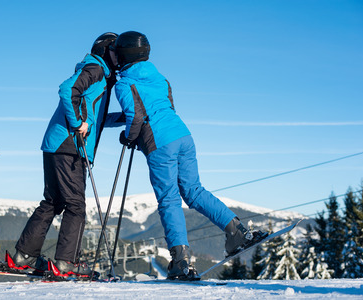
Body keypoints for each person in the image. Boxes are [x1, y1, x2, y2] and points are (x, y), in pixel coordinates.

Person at [112, 31, 267, 280]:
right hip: (183, 135)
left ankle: (181, 261)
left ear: (123, 55)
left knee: (169, 200)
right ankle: (237, 231)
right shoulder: (160, 78)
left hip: (159, 143)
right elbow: (164, 108)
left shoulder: (123, 84)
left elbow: (136, 117)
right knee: (194, 190)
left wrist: (129, 137)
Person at [3, 32, 122, 280]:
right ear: (104, 50)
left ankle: (23, 257)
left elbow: (95, 118)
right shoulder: (96, 69)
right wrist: (78, 122)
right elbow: (68, 90)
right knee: (75, 205)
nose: (119, 56)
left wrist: (122, 119)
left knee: (53, 202)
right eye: (115, 50)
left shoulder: (99, 75)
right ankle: (67, 262)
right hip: (70, 146)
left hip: (56, 144)